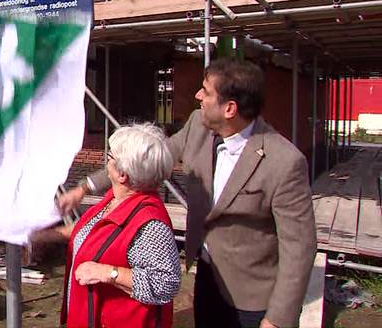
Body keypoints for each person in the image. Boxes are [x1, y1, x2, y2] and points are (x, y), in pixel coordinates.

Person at [59, 58, 317, 328]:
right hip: (207, 280)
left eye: (205, 91)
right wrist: (85, 187)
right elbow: (143, 159)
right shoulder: (199, 125)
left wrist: (277, 319)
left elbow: (299, 247)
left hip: (253, 297)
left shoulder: (284, 161)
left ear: (229, 108)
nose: (197, 96)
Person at [61, 123, 180, 328]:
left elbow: (166, 283)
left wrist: (108, 272)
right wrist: (42, 235)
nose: (106, 161)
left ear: (122, 174)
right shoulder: (114, 200)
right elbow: (93, 236)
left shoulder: (150, 224)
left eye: (110, 157)